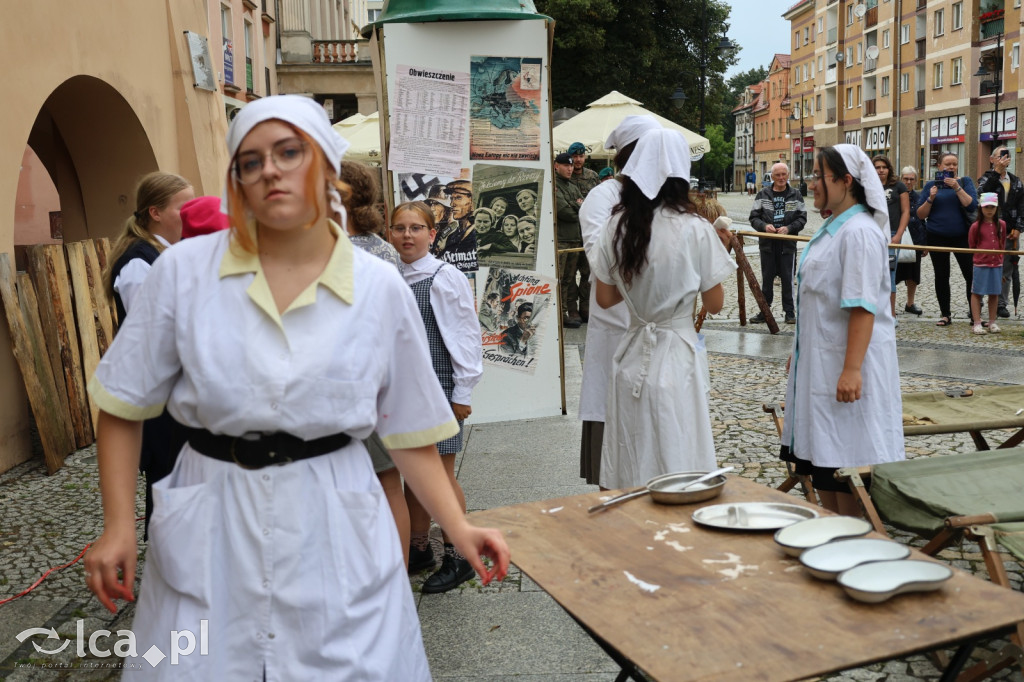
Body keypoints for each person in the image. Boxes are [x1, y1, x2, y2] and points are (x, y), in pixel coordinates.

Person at [83, 95, 508, 679]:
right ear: (237, 180)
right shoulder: (183, 273)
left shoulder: (379, 287)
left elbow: (408, 429)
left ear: (327, 169)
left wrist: (458, 527)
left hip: (333, 509)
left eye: (289, 152)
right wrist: (117, 527)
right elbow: (123, 405)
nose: (270, 170)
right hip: (212, 507)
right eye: (250, 161)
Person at [592, 128, 736, 490]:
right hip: (676, 355)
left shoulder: (616, 225)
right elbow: (715, 305)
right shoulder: (695, 229)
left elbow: (605, 299)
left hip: (632, 354)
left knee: (632, 450)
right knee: (679, 450)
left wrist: (644, 296)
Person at [781, 144, 905, 516]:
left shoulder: (860, 233)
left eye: (819, 176)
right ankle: (834, 535)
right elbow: (819, 302)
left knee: (849, 461)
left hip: (849, 370)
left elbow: (863, 307)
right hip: (822, 364)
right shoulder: (835, 229)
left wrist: (851, 369)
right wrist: (798, 353)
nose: (812, 183)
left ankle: (856, 543)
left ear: (846, 181)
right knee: (826, 465)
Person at [389, 200, 485, 593]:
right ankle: (419, 547)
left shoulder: (444, 277)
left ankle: (459, 554)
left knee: (440, 474)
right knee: (412, 472)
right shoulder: (392, 276)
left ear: (432, 234)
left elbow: (465, 336)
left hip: (440, 388)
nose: (407, 235)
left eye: (415, 228)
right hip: (403, 392)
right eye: (399, 228)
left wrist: (461, 391)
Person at [103, 171, 194, 538]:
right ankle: (168, 561)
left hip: (176, 390)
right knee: (167, 477)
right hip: (160, 395)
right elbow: (154, 336)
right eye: (183, 206)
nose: (190, 213)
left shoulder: (167, 254)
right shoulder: (140, 262)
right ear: (155, 213)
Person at [577, 116, 663, 487]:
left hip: (660, 339)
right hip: (617, 332)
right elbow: (601, 261)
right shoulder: (603, 197)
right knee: (614, 452)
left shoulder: (663, 198)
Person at [338, 160, 413, 569]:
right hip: (379, 379)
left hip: (356, 383)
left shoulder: (338, 247)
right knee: (388, 481)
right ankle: (397, 576)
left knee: (379, 480)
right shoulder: (382, 248)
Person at [916, 151, 978, 327]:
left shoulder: (965, 182)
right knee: (941, 276)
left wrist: (957, 188)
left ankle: (974, 315)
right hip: (937, 236)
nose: (951, 167)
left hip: (962, 236)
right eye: (948, 164)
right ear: (939, 167)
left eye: (954, 164)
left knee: (970, 275)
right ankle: (945, 314)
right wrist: (930, 198)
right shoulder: (930, 185)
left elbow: (972, 204)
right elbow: (920, 214)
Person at [748, 162, 807, 325]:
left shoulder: (796, 195)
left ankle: (789, 312)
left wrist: (789, 228)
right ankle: (764, 311)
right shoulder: (762, 194)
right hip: (767, 243)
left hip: (788, 244)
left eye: (783, 174)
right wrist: (763, 226)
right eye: (777, 175)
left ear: (788, 175)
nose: (781, 178)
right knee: (767, 279)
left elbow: (802, 218)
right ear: (772, 177)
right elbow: (753, 217)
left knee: (788, 279)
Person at [976, 145, 1024, 319]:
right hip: (989, 230)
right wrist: (996, 173)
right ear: (992, 159)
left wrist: (1019, 228)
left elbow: (1021, 207)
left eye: (1007, 155)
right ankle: (978, 302)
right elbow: (982, 194)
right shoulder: (986, 178)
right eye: (1000, 155)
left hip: (1010, 231)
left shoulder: (1016, 181)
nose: (1004, 158)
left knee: (1007, 269)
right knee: (983, 266)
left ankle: (1001, 304)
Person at [872, 155, 909, 321]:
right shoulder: (867, 186)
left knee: (889, 274)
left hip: (892, 234)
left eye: (884, 167)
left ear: (889, 169)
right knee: (872, 274)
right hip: (872, 233)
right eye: (877, 167)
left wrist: (899, 234)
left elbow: (906, 211)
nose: (881, 170)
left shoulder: (898, 186)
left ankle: (891, 315)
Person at [554, 151, 587, 328]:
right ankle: (559, 312)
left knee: (569, 279)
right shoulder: (555, 185)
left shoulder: (572, 186)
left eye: (571, 166)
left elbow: (584, 207)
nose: (569, 169)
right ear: (556, 166)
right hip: (561, 240)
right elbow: (564, 211)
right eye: (566, 165)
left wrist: (575, 206)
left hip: (575, 238)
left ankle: (565, 311)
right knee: (560, 278)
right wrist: (576, 206)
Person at [968, 193, 1006, 334]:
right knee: (977, 292)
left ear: (996, 208)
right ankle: (977, 322)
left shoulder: (1001, 225)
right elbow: (972, 245)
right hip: (981, 264)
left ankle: (992, 322)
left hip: (996, 264)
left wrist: (1000, 260)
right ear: (981, 208)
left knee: (994, 293)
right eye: (986, 207)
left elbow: (1002, 244)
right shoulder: (975, 226)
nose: (989, 210)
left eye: (992, 207)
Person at [898, 166, 925, 315]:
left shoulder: (919, 196)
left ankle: (910, 303)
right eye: (906, 178)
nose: (908, 182)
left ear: (915, 180)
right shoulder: (895, 195)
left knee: (913, 275)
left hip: (915, 239)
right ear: (901, 179)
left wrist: (924, 243)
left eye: (911, 179)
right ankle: (890, 304)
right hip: (897, 238)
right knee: (894, 273)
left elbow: (923, 220)